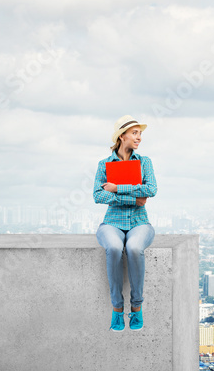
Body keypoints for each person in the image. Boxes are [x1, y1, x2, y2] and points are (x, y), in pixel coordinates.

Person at [93, 115, 158, 332]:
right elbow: (97, 196)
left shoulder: (144, 162)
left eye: (140, 133)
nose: (139, 137)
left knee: (134, 247)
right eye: (135, 133)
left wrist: (118, 188)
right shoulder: (104, 165)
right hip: (111, 222)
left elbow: (151, 191)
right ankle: (117, 309)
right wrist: (133, 197)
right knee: (113, 247)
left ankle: (137, 307)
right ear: (122, 136)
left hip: (140, 222)